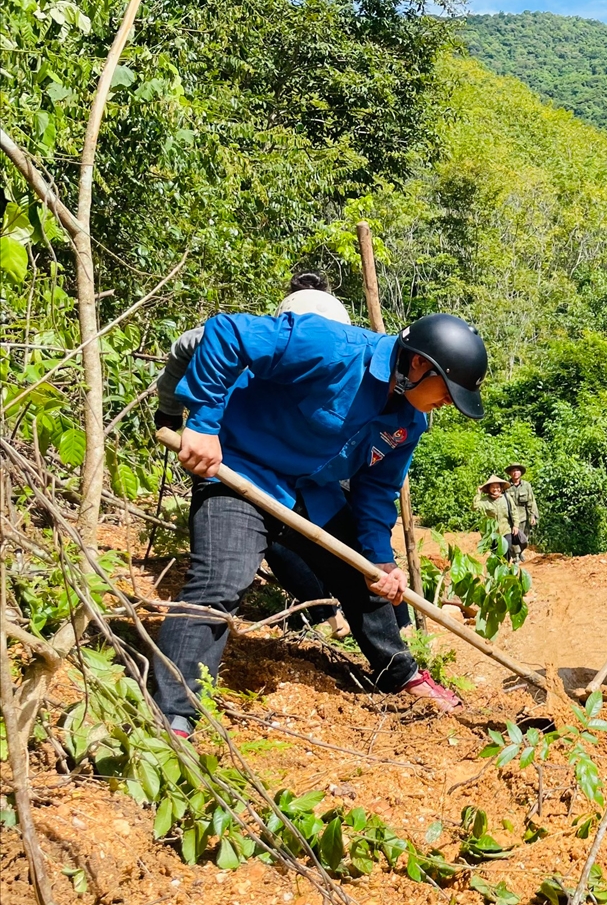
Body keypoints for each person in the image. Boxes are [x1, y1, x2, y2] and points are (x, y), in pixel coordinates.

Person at [150, 304, 489, 735]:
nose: (445, 404)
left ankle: (398, 674)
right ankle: (175, 714)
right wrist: (203, 422)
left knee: (362, 578)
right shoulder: (332, 348)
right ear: (419, 364)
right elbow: (228, 334)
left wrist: (381, 559)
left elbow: (377, 489)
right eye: (447, 391)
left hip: (312, 492)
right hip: (241, 471)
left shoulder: (410, 422)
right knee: (220, 580)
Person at [155, 276, 357, 639]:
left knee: (334, 540)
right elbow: (186, 348)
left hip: (310, 465)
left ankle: (364, 619)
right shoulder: (259, 342)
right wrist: (179, 417)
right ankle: (324, 611)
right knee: (270, 541)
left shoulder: (345, 362)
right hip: (238, 459)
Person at [473, 474, 517, 553]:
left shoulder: (506, 498)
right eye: (493, 487)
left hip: (506, 530)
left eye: (497, 487)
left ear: (501, 488)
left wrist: (516, 525)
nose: (495, 489)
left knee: (507, 550)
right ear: (489, 489)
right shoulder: (485, 500)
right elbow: (474, 507)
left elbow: (514, 511)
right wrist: (478, 493)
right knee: (495, 554)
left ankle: (506, 565)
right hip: (492, 533)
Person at [504, 463, 538, 561]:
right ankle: (516, 557)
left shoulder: (526, 486)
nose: (515, 473)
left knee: (523, 538)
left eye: (517, 470)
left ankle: (520, 552)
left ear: (521, 473)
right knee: (513, 537)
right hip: (510, 517)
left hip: (523, 516)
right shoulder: (506, 486)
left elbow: (531, 501)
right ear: (510, 473)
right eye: (513, 471)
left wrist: (532, 516)